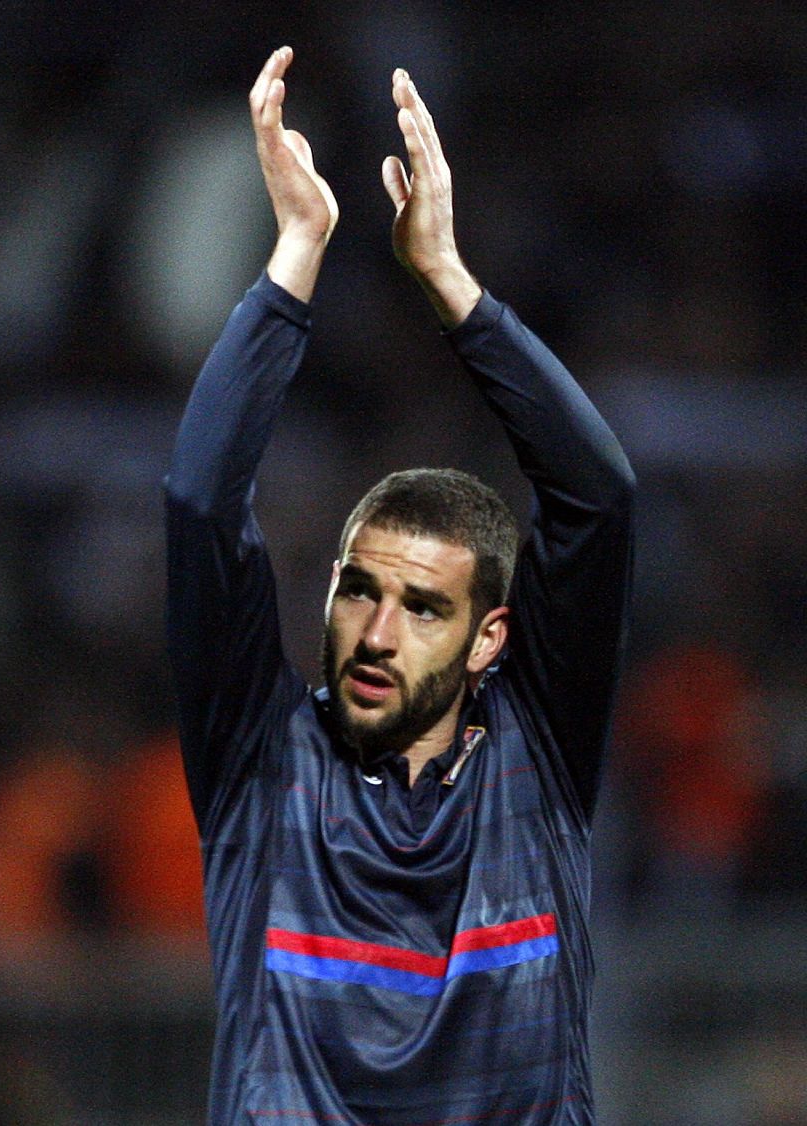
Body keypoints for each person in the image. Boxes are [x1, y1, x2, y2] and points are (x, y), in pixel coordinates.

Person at [164, 47, 635, 1124]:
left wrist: (450, 285)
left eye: (423, 607)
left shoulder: (537, 752)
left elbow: (597, 498)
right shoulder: (258, 760)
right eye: (358, 591)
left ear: (489, 639)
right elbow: (199, 502)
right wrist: (296, 252)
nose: (376, 632)